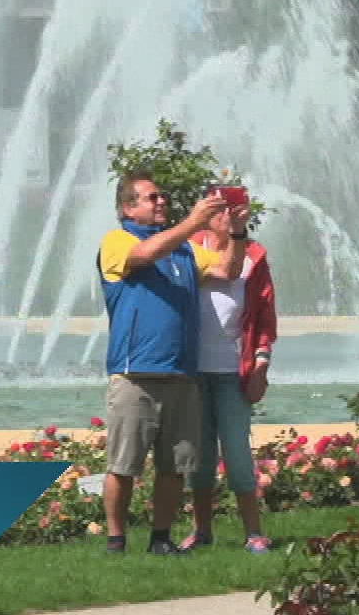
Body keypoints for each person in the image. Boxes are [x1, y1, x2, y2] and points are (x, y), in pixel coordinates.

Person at [98, 171, 225, 556]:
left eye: (163, 197)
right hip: (136, 373)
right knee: (124, 464)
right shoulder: (117, 241)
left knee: (173, 466)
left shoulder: (185, 251)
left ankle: (161, 539)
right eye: (152, 198)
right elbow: (144, 255)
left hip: (180, 373)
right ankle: (116, 540)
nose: (161, 202)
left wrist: (231, 231)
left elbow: (225, 269)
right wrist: (193, 222)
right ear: (127, 207)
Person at [180, 189, 278, 554]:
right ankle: (201, 531)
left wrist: (262, 362)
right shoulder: (188, 248)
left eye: (235, 210)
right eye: (221, 210)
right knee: (199, 456)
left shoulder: (255, 256)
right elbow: (217, 273)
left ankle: (254, 532)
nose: (227, 216)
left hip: (232, 372)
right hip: (193, 371)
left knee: (237, 451)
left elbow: (265, 314)